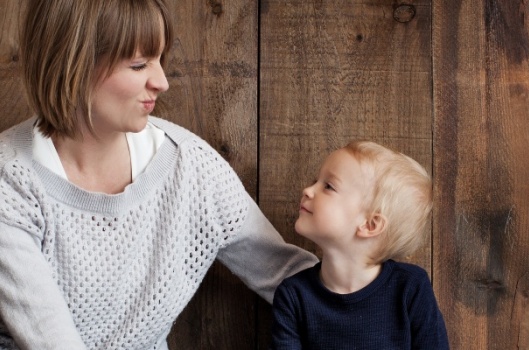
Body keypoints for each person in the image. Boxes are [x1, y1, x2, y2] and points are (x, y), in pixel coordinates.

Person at [0, 0, 318, 349]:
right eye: (138, 65)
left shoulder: (190, 166)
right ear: (71, 63)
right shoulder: (10, 182)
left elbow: (291, 278)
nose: (162, 82)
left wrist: (381, 299)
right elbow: (51, 340)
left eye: (160, 60)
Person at [270, 141, 449, 349]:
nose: (308, 190)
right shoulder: (293, 296)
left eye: (328, 186)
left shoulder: (410, 288)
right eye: (316, 181)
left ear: (370, 224)